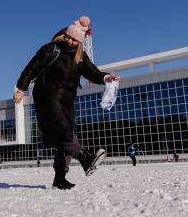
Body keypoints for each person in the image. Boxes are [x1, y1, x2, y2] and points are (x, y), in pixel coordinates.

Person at [13, 16, 119, 190]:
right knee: (64, 130)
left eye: (74, 40)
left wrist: (107, 77)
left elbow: (92, 72)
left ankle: (60, 178)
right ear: (63, 35)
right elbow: (31, 68)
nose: (69, 41)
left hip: (67, 100)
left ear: (80, 42)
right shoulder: (51, 49)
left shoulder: (80, 57)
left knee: (67, 136)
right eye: (67, 37)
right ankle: (86, 158)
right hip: (47, 96)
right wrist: (21, 90)